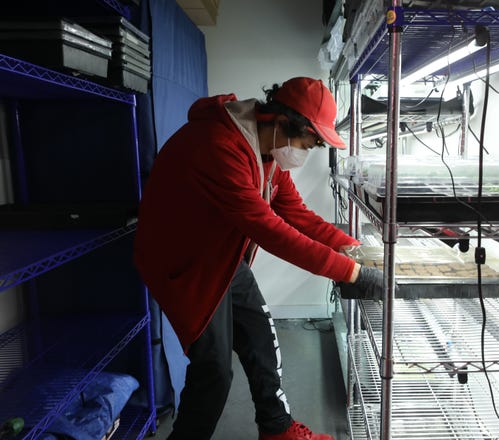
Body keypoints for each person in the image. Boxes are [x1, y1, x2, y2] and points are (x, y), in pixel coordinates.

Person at [134, 77, 386, 440]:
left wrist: (353, 249)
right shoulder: (219, 146)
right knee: (215, 372)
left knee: (261, 340)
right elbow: (270, 231)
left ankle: (277, 429)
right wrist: (350, 273)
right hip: (184, 264)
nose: (306, 152)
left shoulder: (269, 153)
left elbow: (295, 213)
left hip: (223, 255)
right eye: (308, 143)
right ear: (282, 123)